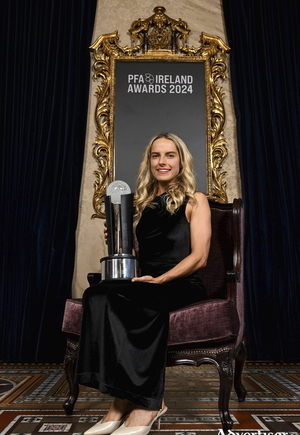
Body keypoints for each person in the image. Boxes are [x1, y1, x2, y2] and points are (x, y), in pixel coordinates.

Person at [75, 132, 211, 435]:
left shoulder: (195, 200)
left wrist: (162, 279)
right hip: (146, 279)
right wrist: (120, 243)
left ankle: (149, 403)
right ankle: (120, 400)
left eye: (170, 155)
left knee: (138, 303)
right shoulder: (144, 205)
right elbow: (141, 256)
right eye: (156, 155)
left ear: (181, 160)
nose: (162, 161)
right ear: (149, 161)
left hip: (181, 282)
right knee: (97, 295)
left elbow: (200, 257)